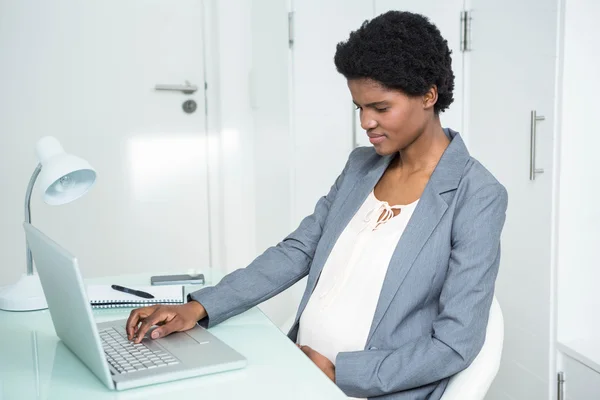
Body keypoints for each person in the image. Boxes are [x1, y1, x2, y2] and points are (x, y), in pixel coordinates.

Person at [126, 10, 508, 400]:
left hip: (366, 388)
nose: (366, 122)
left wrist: (340, 372)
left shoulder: (476, 195)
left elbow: (454, 344)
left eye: (380, 108)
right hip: (298, 369)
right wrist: (200, 308)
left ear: (429, 95)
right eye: (359, 107)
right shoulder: (362, 166)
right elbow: (297, 250)